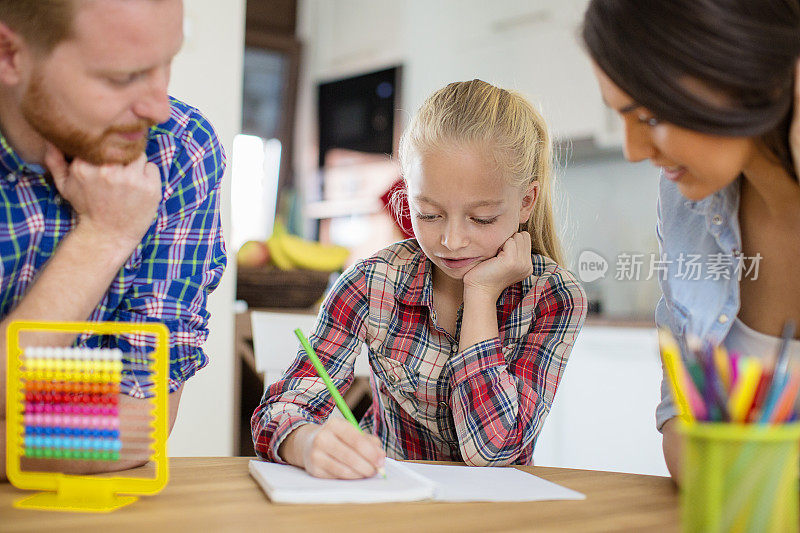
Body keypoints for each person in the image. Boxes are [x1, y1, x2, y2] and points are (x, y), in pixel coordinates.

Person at [251, 80, 587, 479]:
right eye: (428, 214)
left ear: (526, 202)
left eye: (482, 219)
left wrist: (480, 296)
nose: (452, 241)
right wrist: (307, 442)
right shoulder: (373, 282)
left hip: (497, 514)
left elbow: (494, 452)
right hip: (388, 500)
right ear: (409, 196)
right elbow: (281, 410)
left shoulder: (555, 298)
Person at [0, 0, 226, 480]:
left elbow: (137, 426)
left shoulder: (181, 148)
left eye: (167, 62)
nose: (158, 107)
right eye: (122, 78)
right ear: (8, 54)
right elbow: (110, 430)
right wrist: (103, 237)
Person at [582, 0, 800, 483]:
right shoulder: (688, 202)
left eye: (650, 114)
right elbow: (680, 417)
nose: (634, 151)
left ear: (743, 70)